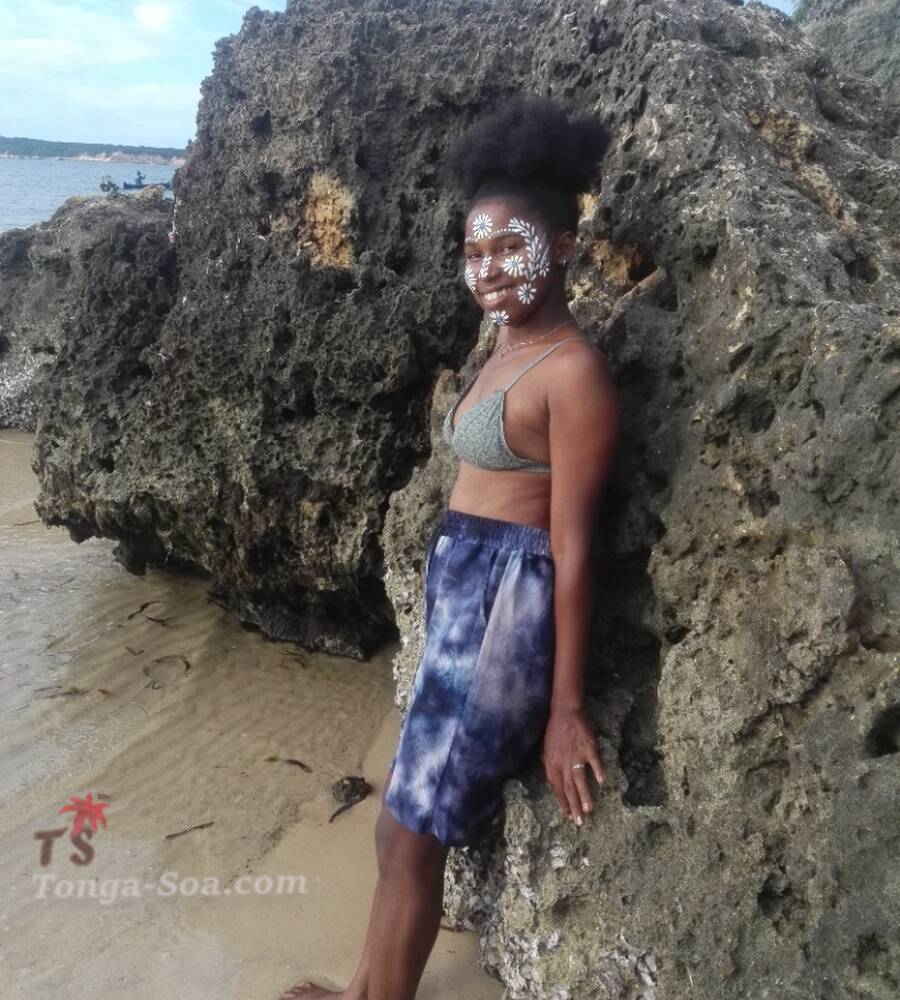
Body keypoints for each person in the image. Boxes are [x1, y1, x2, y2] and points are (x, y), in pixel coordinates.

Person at [281, 95, 620, 1000]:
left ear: (564, 248)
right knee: (399, 825)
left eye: (511, 247)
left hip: (506, 615)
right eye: (474, 252)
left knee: (413, 832)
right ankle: (364, 989)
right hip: (463, 601)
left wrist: (565, 710)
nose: (489, 269)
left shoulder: (573, 374)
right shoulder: (505, 346)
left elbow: (573, 548)